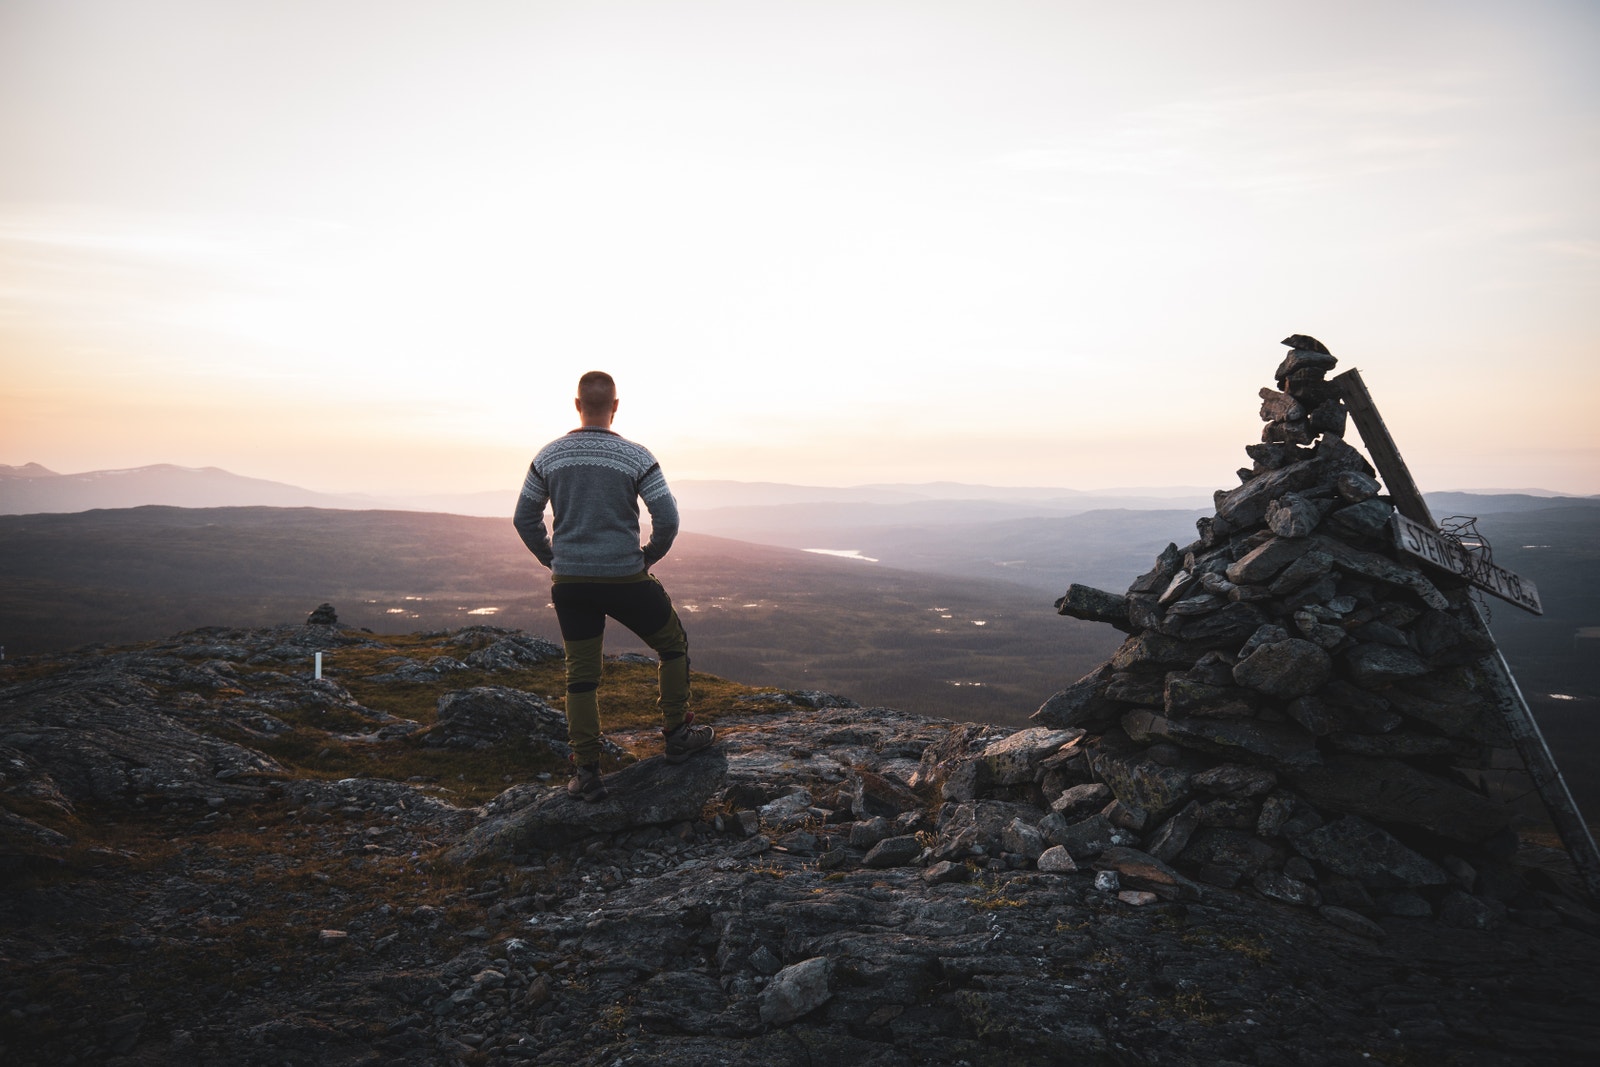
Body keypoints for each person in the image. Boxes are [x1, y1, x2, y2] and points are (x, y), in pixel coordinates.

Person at [513, 370, 714, 800]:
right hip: (625, 576)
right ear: (616, 406)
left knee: (581, 676)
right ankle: (677, 734)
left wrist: (553, 558)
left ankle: (586, 771)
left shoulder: (549, 456)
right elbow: (669, 519)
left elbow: (523, 518)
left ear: (577, 405)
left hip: (571, 583)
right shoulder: (636, 457)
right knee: (672, 643)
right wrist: (647, 556)